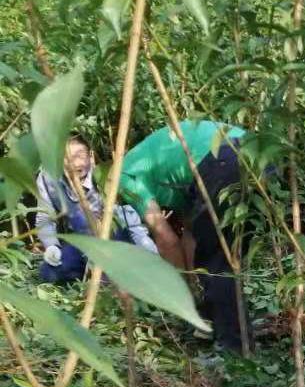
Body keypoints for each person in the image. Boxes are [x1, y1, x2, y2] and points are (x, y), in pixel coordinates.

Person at [119, 120, 247, 351]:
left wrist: (184, 298)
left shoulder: (125, 176)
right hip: (256, 149)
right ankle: (215, 318)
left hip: (221, 158)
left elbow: (166, 239)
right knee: (228, 249)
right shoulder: (167, 171)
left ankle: (235, 352)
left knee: (218, 262)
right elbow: (190, 235)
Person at [35, 137, 157, 285]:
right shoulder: (48, 179)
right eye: (66, 158)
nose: (74, 163)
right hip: (82, 241)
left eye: (79, 155)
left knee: (116, 278)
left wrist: (152, 259)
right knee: (50, 272)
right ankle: (87, 274)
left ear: (91, 157)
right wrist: (51, 246)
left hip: (114, 239)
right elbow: (44, 217)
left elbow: (132, 224)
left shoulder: (107, 178)